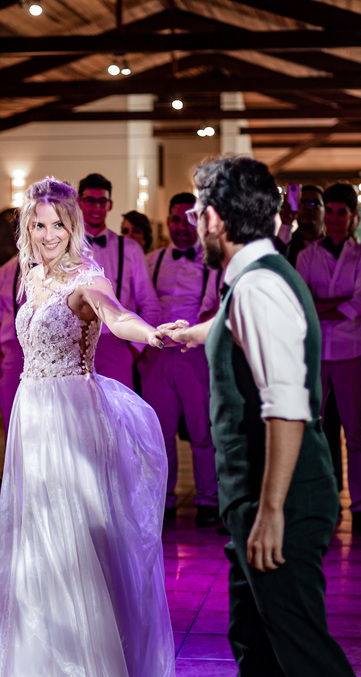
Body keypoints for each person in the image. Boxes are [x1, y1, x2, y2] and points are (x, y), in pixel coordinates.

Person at [0, 176, 231, 677]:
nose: (46, 236)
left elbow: (117, 320)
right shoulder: (29, 277)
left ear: (75, 226)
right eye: (37, 225)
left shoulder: (88, 279)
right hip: (31, 421)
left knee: (80, 548)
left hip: (72, 421)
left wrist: (156, 333)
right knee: (35, 553)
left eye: (57, 225)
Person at [168, 156, 361, 677]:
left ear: (213, 218)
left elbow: (288, 404)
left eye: (196, 212)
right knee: (258, 647)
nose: (194, 223)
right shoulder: (253, 279)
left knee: (307, 654)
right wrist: (195, 334)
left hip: (281, 500)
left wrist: (269, 513)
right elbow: (242, 326)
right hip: (260, 498)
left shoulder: (260, 285)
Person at [295, 183, 361, 534]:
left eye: (340, 212)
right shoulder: (306, 255)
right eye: (328, 211)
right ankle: (317, 502)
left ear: (353, 217)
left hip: (352, 352)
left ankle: (359, 506)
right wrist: (332, 306)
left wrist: (319, 307)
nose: (333, 218)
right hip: (315, 351)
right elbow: (301, 307)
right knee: (311, 429)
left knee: (355, 431)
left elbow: (359, 305)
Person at [141, 192, 221, 528]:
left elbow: (218, 306)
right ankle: (165, 499)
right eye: (176, 219)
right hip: (157, 355)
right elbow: (140, 301)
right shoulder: (152, 260)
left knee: (202, 431)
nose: (183, 227)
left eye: (189, 219)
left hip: (195, 355)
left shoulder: (213, 262)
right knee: (160, 433)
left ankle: (208, 499)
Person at [78, 173, 161, 388]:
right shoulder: (65, 247)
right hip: (73, 346)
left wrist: (133, 349)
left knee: (117, 418)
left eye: (102, 201)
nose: (96, 207)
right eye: (90, 200)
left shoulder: (130, 249)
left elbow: (150, 304)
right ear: (79, 202)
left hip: (115, 344)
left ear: (110, 204)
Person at [0, 254, 24, 521]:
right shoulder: (9, 268)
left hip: (51, 351)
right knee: (14, 427)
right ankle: (12, 499)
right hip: (13, 348)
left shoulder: (63, 261)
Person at [275, 184, 323, 265]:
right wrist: (286, 224)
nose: (308, 207)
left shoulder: (333, 246)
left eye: (314, 203)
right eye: (303, 202)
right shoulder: (286, 245)